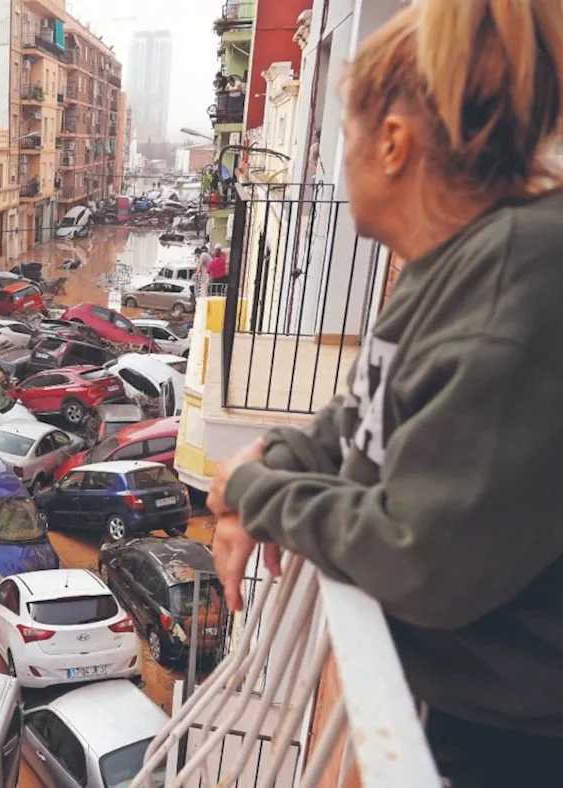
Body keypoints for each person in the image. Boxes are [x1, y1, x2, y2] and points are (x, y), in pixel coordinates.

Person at [205, 2, 563, 786]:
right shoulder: (453, 263)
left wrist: (255, 490)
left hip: (506, 744)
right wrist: (277, 459)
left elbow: (420, 556)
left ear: (393, 144)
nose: (345, 158)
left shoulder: (516, 280)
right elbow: (362, 410)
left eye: (348, 133)